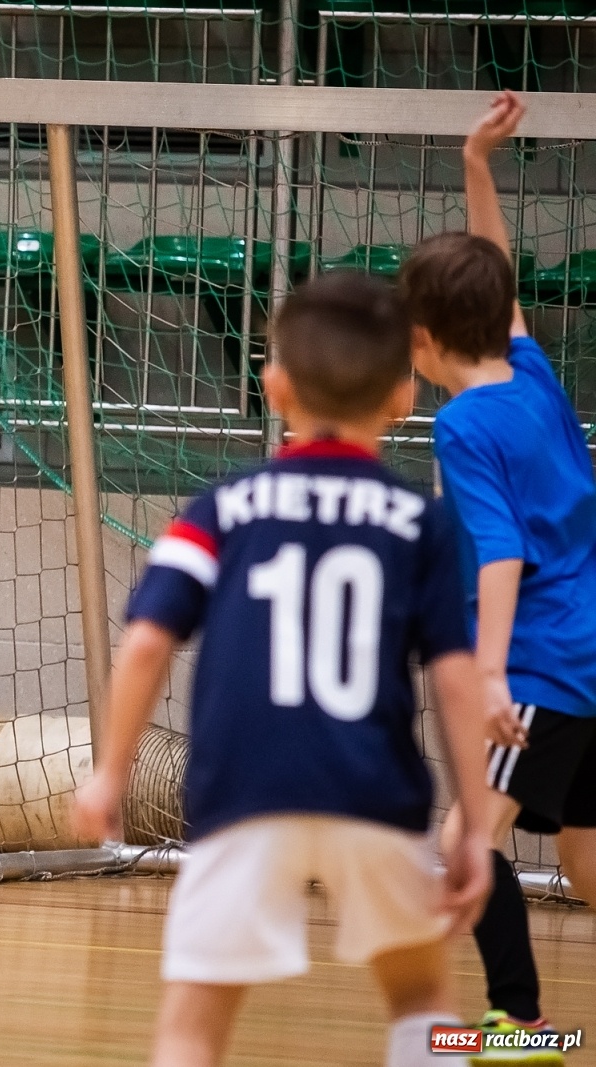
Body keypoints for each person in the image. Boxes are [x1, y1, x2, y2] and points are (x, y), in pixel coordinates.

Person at [74, 271, 494, 1067]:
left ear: (273, 385)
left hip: (242, 795)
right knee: (422, 1001)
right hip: (376, 793)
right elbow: (455, 676)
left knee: (194, 1022)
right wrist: (473, 817)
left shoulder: (221, 508)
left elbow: (146, 642)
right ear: (405, 394)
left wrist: (109, 773)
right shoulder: (422, 524)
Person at [402, 90, 596, 1049]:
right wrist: (478, 165)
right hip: (595, 651)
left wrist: (485, 678)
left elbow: (504, 553)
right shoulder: (531, 373)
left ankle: (522, 1023)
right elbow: (501, 280)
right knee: (588, 852)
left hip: (548, 665)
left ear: (425, 342)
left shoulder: (464, 422)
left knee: (465, 842)